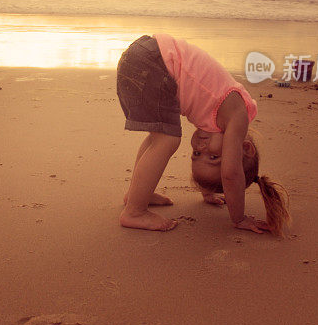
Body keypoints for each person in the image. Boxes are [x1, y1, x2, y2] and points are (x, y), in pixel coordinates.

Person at [117, 34, 290, 235]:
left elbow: (224, 167)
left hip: (143, 54)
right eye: (214, 157)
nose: (200, 148)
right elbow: (231, 173)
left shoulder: (219, 122)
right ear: (245, 148)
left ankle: (136, 195)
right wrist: (239, 218)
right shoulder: (237, 117)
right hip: (156, 63)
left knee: (159, 138)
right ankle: (135, 212)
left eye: (196, 155)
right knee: (168, 140)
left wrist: (207, 191)